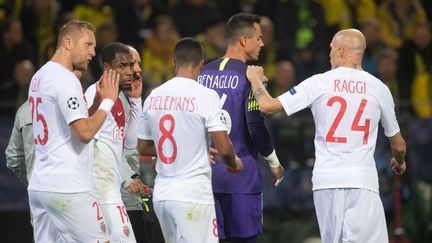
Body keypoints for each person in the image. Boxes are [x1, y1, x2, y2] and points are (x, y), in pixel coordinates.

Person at [246, 28, 407, 243]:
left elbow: (267, 106)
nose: (329, 54)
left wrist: (255, 79)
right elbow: (398, 144)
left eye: (331, 49)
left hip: (326, 182)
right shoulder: (379, 88)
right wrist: (399, 161)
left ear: (341, 51)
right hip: (362, 181)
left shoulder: (320, 82)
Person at [138, 37, 244, 243]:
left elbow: (143, 146)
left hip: (162, 195)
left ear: (173, 62)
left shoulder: (154, 95)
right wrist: (233, 163)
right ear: (201, 64)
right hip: (192, 196)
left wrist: (194, 148)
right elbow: (225, 148)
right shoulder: (206, 95)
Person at [27, 20, 119, 243]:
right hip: (68, 186)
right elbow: (84, 132)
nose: (93, 52)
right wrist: (108, 102)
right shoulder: (65, 79)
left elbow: (68, 125)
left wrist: (97, 102)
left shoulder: (39, 76)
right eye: (88, 45)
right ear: (68, 42)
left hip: (41, 185)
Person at [197, 13, 285, 243]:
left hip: (206, 179)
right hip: (241, 180)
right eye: (259, 37)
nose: (262, 43)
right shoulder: (250, 75)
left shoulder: (202, 72)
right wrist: (274, 161)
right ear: (244, 40)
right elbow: (255, 125)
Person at [84, 42, 149, 242]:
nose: (130, 71)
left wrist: (136, 100)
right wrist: (127, 177)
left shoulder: (118, 97)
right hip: (99, 190)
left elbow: (128, 144)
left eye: (131, 65)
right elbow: (86, 141)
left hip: (111, 188)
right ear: (107, 68)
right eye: (123, 66)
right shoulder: (96, 95)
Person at [119, 45, 164, 243]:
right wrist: (128, 178)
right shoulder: (107, 99)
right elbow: (104, 148)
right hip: (116, 196)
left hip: (133, 196)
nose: (137, 69)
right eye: (131, 64)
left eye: (138, 63)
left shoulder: (134, 99)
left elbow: (137, 145)